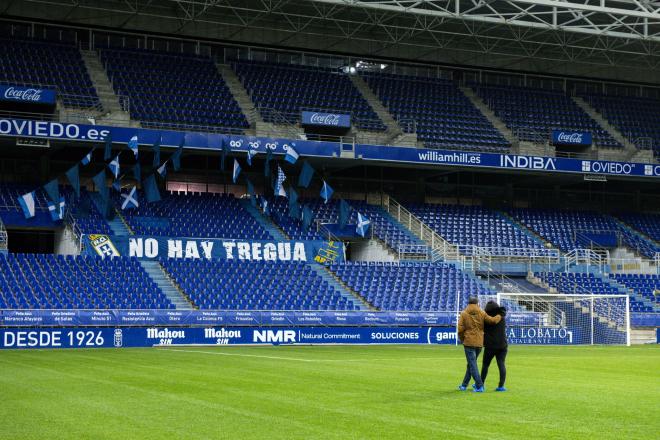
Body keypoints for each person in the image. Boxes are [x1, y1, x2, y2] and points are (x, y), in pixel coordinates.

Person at [457, 296, 501, 393]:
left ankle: (479, 385)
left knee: (472, 365)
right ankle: (464, 385)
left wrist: (463, 339)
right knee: (471, 364)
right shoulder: (482, 312)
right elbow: (492, 321)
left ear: (468, 304)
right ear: (477, 304)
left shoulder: (464, 313)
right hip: (479, 343)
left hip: (468, 342)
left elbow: (460, 329)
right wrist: (500, 315)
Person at [480, 300, 508, 392]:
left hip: (490, 345)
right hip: (502, 345)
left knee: (485, 365)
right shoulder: (502, 316)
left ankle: (481, 385)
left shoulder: (486, 318)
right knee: (501, 364)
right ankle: (501, 386)